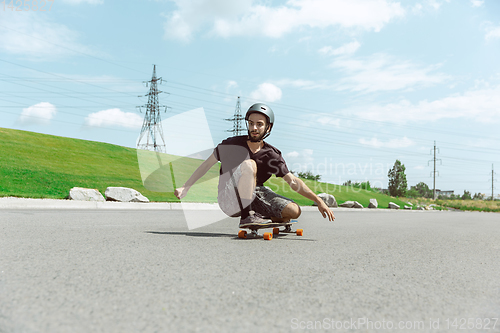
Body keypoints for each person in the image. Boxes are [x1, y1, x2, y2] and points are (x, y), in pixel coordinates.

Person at [174, 103, 335, 227]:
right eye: (251, 124)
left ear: (268, 127)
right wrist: (185, 187)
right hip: (229, 196)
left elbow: (292, 181)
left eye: (259, 124)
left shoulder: (272, 154)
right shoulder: (231, 145)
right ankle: (247, 216)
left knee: (294, 211)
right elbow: (207, 164)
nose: (254, 128)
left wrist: (318, 201)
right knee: (249, 164)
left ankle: (262, 215)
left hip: (255, 193)